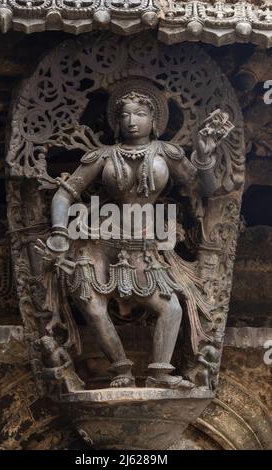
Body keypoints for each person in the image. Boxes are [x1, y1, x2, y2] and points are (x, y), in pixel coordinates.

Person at [38, 78, 232, 390]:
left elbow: (204, 189)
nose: (132, 121)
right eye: (125, 115)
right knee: (92, 304)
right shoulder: (102, 156)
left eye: (140, 115)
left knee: (170, 308)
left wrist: (205, 155)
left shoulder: (167, 152)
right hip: (99, 238)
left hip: (143, 242)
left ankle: (159, 372)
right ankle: (121, 368)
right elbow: (65, 194)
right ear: (116, 122)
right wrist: (60, 233)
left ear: (154, 121)